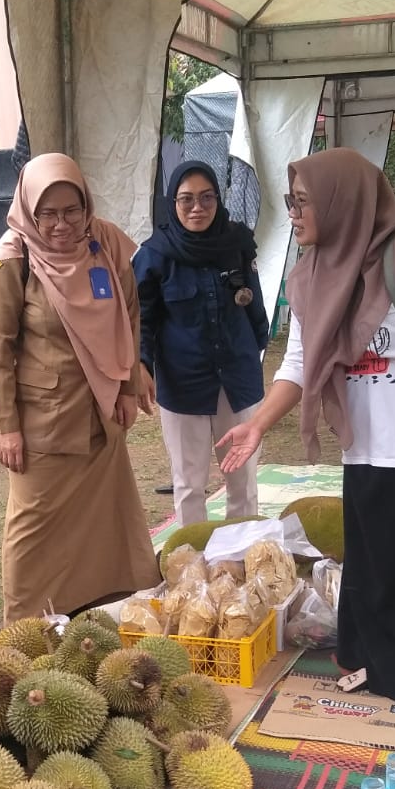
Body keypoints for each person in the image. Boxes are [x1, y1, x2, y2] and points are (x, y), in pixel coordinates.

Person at [217, 149, 395, 705]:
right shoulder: (314, 272)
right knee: (376, 567)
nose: (293, 213)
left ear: (343, 201)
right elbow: (298, 363)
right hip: (363, 450)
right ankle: (378, 662)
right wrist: (258, 425)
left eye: (303, 202)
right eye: (290, 202)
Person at [0, 153, 160, 622]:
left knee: (105, 523)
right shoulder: (10, 262)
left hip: (102, 416)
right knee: (32, 531)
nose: (61, 225)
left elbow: (129, 315)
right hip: (44, 420)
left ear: (86, 208)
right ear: (28, 210)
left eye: (71, 211)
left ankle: (93, 610)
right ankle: (20, 627)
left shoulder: (104, 243)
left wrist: (125, 388)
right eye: (48, 213)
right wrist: (8, 429)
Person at [134, 160, 268, 525]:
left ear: (218, 200)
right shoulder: (155, 255)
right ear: (172, 203)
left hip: (237, 382)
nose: (198, 208)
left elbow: (254, 306)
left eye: (207, 198)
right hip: (183, 385)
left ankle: (242, 560)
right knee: (190, 484)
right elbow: (142, 319)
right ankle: (193, 570)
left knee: (242, 479)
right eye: (187, 199)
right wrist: (142, 364)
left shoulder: (237, 242)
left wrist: (254, 354)